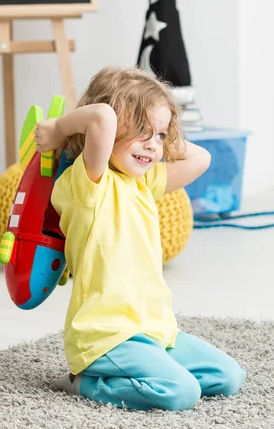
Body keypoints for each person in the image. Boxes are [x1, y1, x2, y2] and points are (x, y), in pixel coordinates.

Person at [33, 66, 246, 411]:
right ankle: (85, 382)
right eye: (142, 131)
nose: (152, 144)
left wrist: (162, 131)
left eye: (160, 135)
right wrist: (59, 129)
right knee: (181, 392)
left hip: (154, 328)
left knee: (228, 376)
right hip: (106, 335)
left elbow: (201, 158)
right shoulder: (87, 183)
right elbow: (101, 116)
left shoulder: (144, 182)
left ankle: (150, 368)